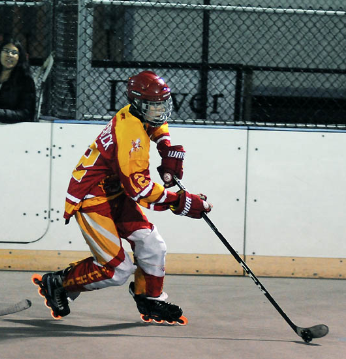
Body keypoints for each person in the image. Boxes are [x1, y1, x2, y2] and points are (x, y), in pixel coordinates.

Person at [32, 70, 213, 323]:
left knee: (152, 244)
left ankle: (151, 299)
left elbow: (158, 124)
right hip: (91, 198)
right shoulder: (131, 134)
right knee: (118, 270)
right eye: (154, 105)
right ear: (140, 103)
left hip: (114, 192)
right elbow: (140, 190)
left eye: (162, 103)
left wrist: (165, 147)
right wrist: (181, 202)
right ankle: (60, 283)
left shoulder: (138, 112)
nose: (159, 110)